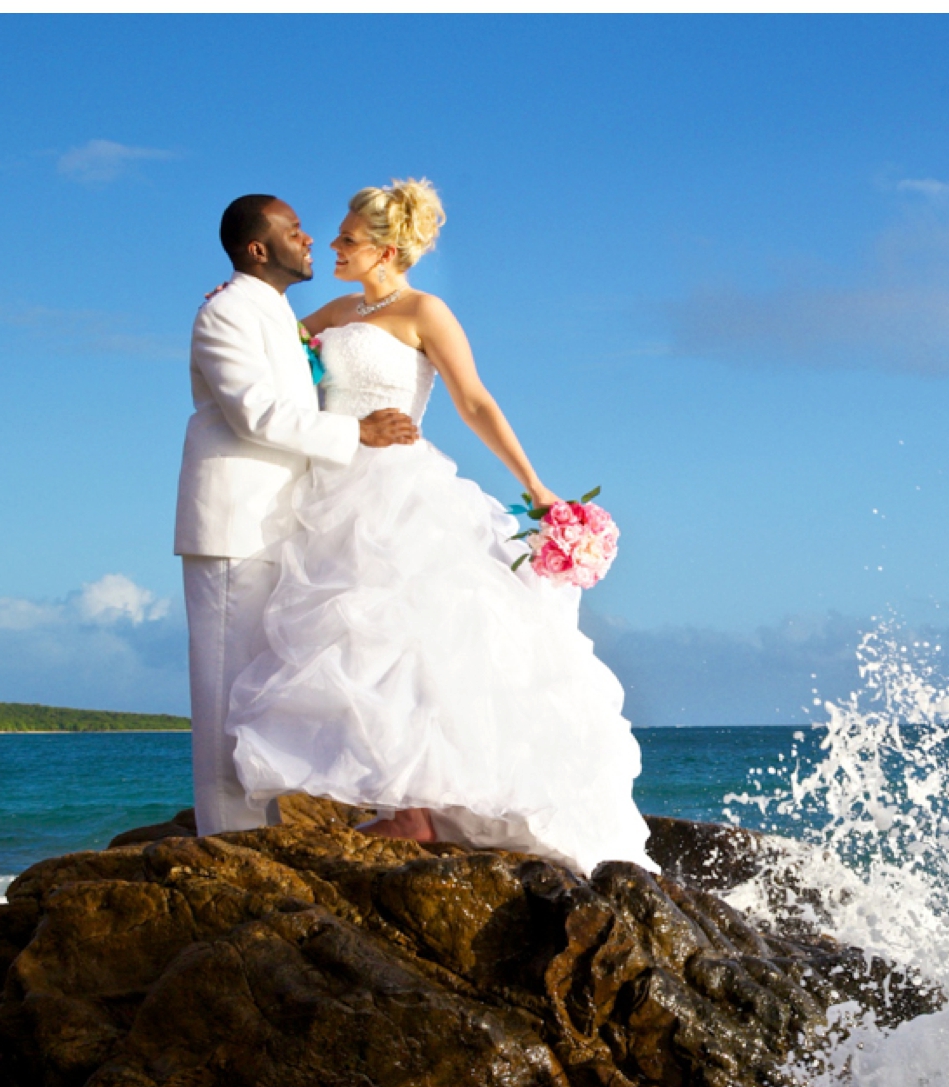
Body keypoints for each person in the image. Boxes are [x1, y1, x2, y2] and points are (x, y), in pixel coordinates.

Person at [223, 179, 655, 874]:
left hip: (398, 489)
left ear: (387, 249)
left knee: (414, 642)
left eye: (347, 240)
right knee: (353, 647)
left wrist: (536, 488)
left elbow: (475, 402)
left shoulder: (426, 312)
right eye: (333, 236)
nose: (332, 247)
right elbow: (276, 357)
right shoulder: (332, 310)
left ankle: (414, 812)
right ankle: (404, 806)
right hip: (329, 487)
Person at [176, 194, 418, 836]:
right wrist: (356, 433)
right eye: (295, 230)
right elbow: (254, 412)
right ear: (258, 249)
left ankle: (268, 832)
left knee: (264, 687)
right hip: (234, 523)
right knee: (227, 689)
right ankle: (229, 840)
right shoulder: (227, 311)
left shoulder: (280, 315)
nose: (309, 239)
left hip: (282, 523)